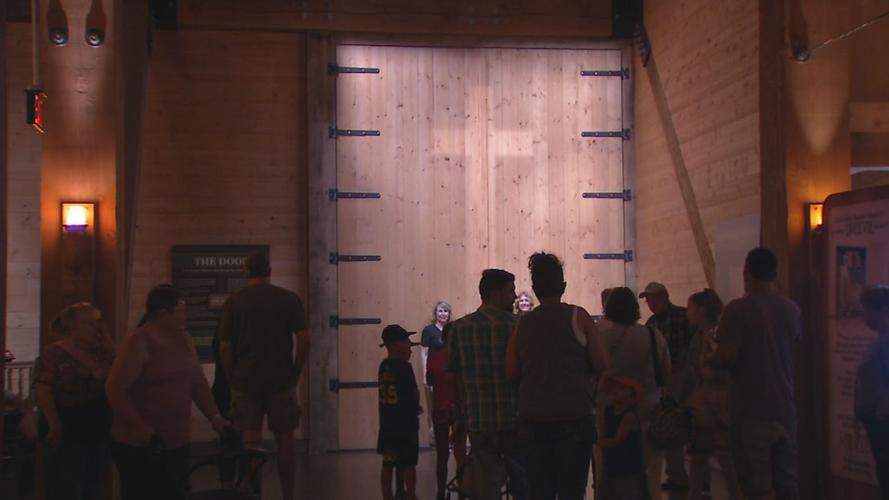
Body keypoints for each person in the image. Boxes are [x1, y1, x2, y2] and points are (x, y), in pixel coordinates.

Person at [107, 285, 228, 500]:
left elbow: (197, 383)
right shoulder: (138, 342)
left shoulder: (185, 339)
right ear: (164, 314)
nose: (186, 316)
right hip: (142, 444)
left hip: (177, 440)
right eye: (181, 311)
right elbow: (116, 389)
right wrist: (139, 426)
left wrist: (216, 418)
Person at [506, 252, 608, 500]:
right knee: (572, 490)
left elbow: (510, 372)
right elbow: (602, 361)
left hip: (534, 419)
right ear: (563, 286)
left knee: (540, 490)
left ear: (534, 288)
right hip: (575, 418)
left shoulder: (523, 324)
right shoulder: (579, 316)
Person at [709, 248, 802, 500]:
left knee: (756, 486)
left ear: (746, 273)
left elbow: (727, 357)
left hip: (750, 408)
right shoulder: (791, 309)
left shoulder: (737, 310)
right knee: (787, 482)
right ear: (775, 273)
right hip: (785, 406)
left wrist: (709, 359)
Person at [217, 253, 310, 500]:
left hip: (246, 381)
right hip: (281, 379)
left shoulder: (234, 302)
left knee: (251, 442)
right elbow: (303, 340)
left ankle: (253, 493)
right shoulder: (288, 299)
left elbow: (225, 347)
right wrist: (295, 373)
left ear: (246, 272)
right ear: (269, 270)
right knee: (286, 441)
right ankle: (288, 495)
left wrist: (232, 378)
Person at [447, 268, 527, 500]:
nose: (514, 297)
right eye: (510, 291)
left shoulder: (459, 329)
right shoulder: (517, 325)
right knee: (522, 481)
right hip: (514, 418)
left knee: (486, 485)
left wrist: (459, 417)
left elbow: (453, 378)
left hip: (479, 420)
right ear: (495, 293)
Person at [596, 287, 670, 500]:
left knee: (607, 469)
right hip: (647, 409)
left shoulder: (600, 337)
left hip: (609, 411)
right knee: (651, 470)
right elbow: (666, 371)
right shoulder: (652, 334)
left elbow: (589, 373)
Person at [34, 303, 114, 500]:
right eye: (88, 324)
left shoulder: (100, 352)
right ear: (72, 327)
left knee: (93, 481)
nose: (94, 328)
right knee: (68, 482)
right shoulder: (54, 353)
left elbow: (116, 374)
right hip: (69, 423)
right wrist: (54, 424)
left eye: (96, 323)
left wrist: (108, 340)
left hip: (97, 424)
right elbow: (43, 389)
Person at [685, 289, 743, 500]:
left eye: (690, 307)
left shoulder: (709, 337)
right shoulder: (717, 334)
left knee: (708, 457)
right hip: (718, 403)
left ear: (701, 310)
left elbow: (707, 369)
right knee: (721, 458)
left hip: (709, 404)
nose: (687, 312)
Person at [639, 281, 694, 491]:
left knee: (684, 426)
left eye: (652, 299)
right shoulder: (652, 324)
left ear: (664, 296)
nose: (650, 304)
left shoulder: (680, 317)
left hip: (683, 379)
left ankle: (684, 475)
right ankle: (677, 474)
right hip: (667, 382)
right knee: (673, 426)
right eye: (648, 300)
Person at [425, 309, 467, 500]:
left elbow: (430, 381)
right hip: (459, 409)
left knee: (442, 455)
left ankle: (441, 492)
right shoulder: (464, 358)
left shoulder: (434, 358)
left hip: (441, 409)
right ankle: (463, 489)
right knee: (460, 453)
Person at [378, 325, 422, 500]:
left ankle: (388, 496)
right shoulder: (404, 367)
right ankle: (410, 495)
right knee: (409, 464)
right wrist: (416, 406)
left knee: (388, 463)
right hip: (406, 425)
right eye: (406, 341)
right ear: (396, 345)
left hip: (387, 424)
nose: (409, 344)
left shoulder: (384, 365)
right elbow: (413, 393)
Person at [855, 286, 889, 499]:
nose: (864, 314)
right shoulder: (881, 341)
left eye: (867, 309)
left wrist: (881, 412)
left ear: (882, 309)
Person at [597, 377, 648, 500]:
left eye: (622, 389)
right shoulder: (608, 411)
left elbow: (616, 440)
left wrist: (597, 441)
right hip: (610, 467)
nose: (615, 391)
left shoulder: (629, 416)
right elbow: (604, 435)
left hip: (628, 472)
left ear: (632, 396)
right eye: (614, 387)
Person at [422, 302, 452, 447]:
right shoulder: (428, 330)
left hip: (449, 374)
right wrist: (425, 375)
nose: (443, 314)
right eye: (440, 311)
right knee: (435, 408)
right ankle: (435, 439)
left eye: (446, 311)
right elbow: (424, 353)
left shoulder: (452, 329)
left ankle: (450, 441)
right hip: (434, 374)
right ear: (435, 313)